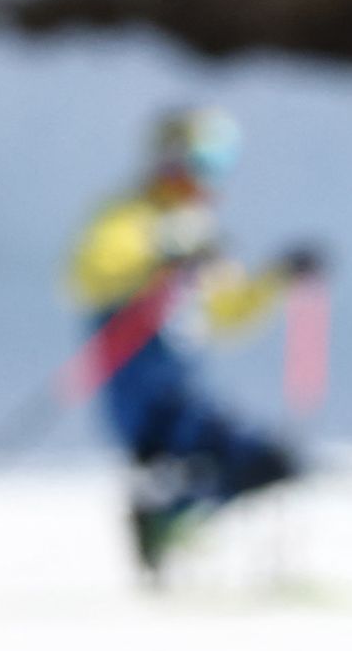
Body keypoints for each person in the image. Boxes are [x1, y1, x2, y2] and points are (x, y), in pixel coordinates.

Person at [65, 105, 320, 576]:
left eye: (221, 165)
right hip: (140, 394)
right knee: (212, 461)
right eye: (204, 163)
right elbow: (90, 272)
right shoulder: (130, 215)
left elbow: (228, 312)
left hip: (185, 393)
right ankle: (162, 523)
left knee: (267, 462)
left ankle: (169, 526)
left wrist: (279, 278)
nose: (210, 179)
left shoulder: (196, 229)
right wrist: (160, 256)